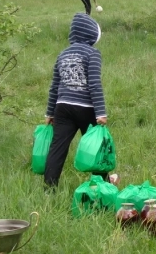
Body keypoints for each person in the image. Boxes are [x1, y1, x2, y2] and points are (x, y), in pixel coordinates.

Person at [44, 12, 108, 190]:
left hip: (62, 108)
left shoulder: (62, 54)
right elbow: (94, 84)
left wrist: (49, 113)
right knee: (96, 148)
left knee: (57, 148)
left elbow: (54, 86)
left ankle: (49, 188)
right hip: (86, 108)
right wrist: (101, 112)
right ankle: (103, 187)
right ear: (91, 34)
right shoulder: (93, 53)